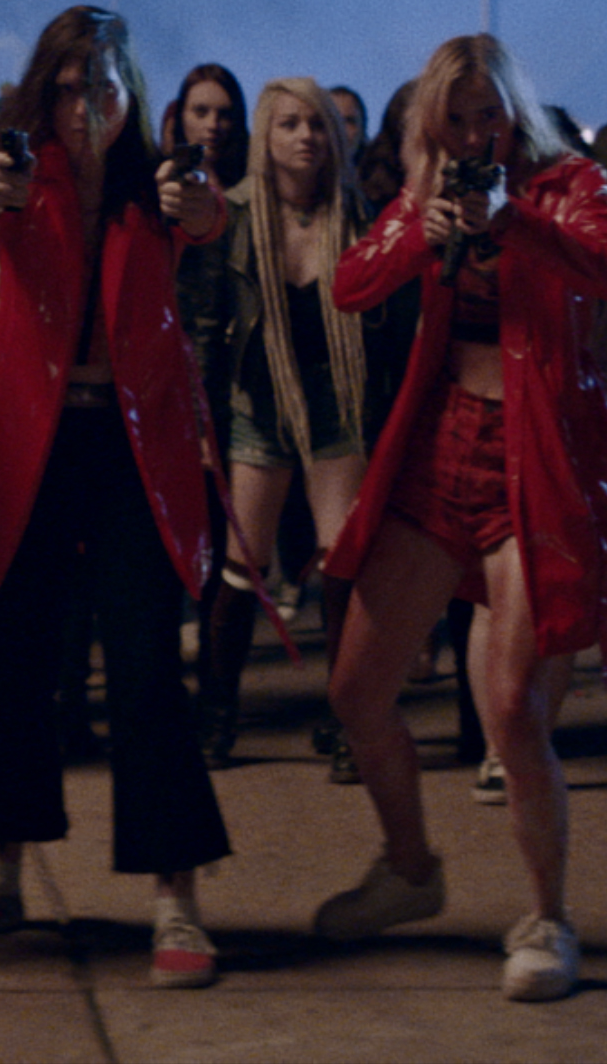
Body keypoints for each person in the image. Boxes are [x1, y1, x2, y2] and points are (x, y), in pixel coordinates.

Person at [0, 6, 233, 989]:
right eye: (65, 86)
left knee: (145, 665)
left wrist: (196, 201)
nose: (85, 104)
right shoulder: (22, 172)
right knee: (16, 655)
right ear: (42, 94)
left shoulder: (162, 181)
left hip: (130, 445)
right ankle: (2, 867)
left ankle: (176, 897)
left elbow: (209, 215)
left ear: (131, 88)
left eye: (102, 83)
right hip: (35, 438)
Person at [312, 33, 607, 1003]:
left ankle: (547, 917)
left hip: (533, 459)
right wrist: (422, 224)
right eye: (453, 119)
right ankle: (410, 866)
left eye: (486, 114)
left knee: (514, 710)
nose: (472, 134)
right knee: (357, 691)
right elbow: (351, 284)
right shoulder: (429, 189)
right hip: (439, 450)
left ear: (515, 110)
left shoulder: (569, 182)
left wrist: (513, 223)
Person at [193, 78, 394, 770]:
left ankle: (348, 720)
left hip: (339, 401)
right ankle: (216, 716)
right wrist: (201, 418)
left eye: (316, 124)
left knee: (342, 562)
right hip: (259, 402)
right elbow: (205, 322)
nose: (305, 136)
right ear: (265, 135)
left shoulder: (358, 213)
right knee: (241, 563)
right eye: (288, 124)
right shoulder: (231, 214)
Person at [161, 62, 251, 190]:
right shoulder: (157, 181)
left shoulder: (256, 185)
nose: (212, 125)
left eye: (224, 115)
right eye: (200, 112)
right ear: (181, 116)